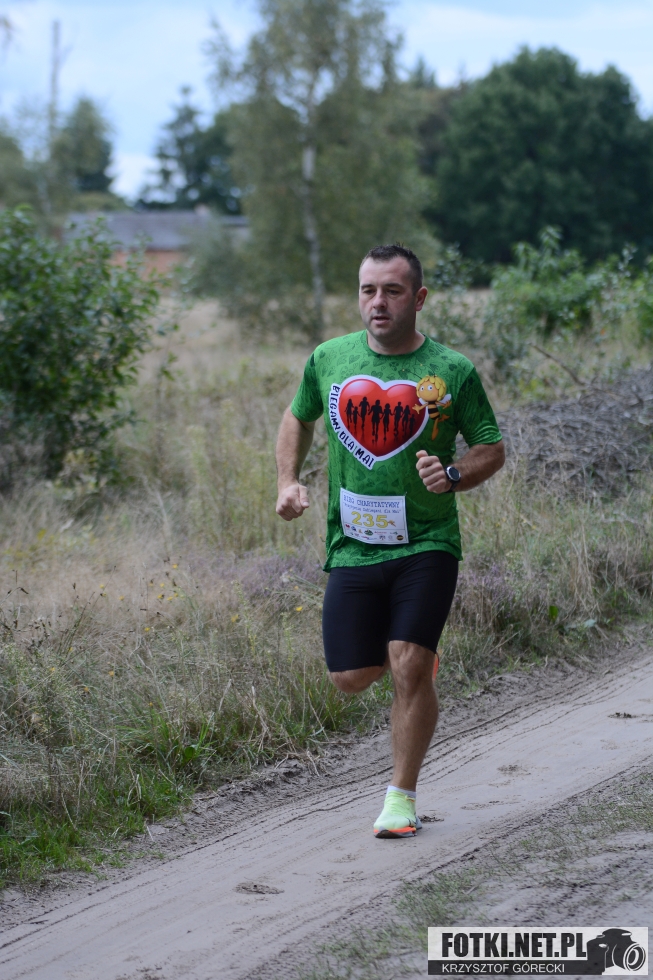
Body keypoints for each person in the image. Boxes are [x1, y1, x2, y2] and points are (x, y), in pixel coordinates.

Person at [275, 244, 505, 838]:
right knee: (350, 678)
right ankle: (414, 656)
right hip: (353, 544)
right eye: (368, 290)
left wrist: (454, 474)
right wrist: (287, 481)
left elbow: (490, 447)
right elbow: (299, 416)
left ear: (418, 298)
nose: (378, 302)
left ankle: (400, 799)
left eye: (392, 291)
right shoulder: (330, 358)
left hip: (427, 542)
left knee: (408, 664)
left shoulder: (450, 371)